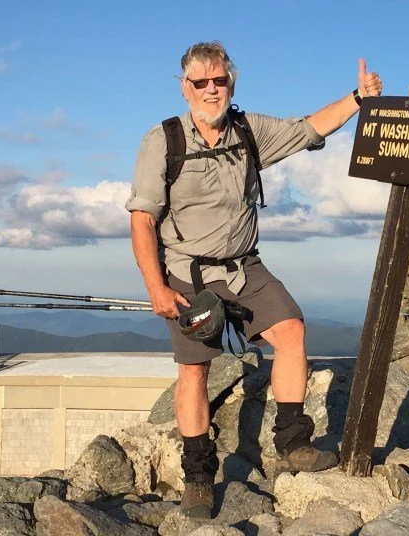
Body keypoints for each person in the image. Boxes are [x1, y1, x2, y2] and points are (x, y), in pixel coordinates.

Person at [126, 41, 382, 519]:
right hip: (188, 274)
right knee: (194, 371)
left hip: (245, 268)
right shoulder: (163, 141)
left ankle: (293, 442)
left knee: (291, 329)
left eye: (219, 80)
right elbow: (142, 219)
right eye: (200, 82)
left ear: (231, 82)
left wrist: (357, 99)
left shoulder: (248, 131)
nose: (211, 89)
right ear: (185, 87)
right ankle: (199, 477)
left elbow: (307, 128)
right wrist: (156, 287)